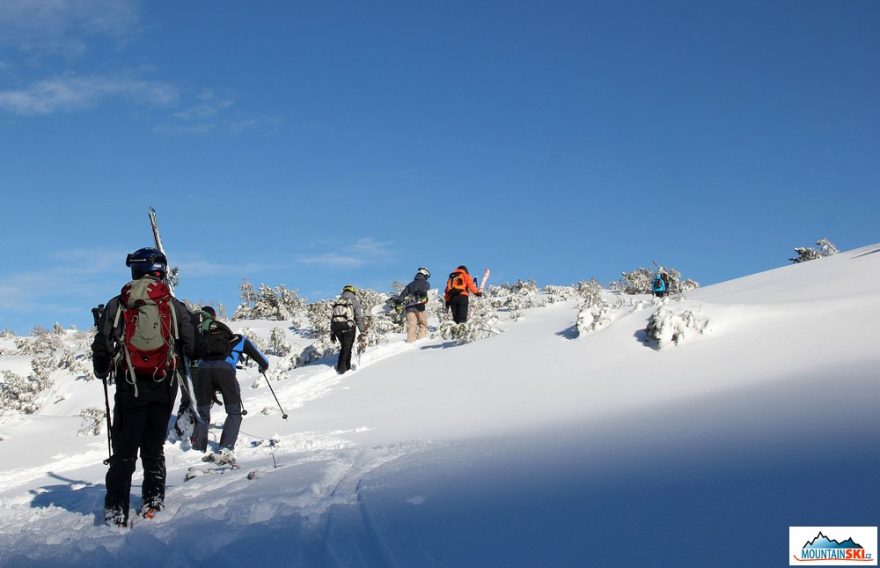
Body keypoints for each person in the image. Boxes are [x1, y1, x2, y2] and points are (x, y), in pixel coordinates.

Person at [91, 247, 195, 526]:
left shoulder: (118, 303)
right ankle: (153, 499)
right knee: (153, 446)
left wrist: (102, 368)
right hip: (164, 385)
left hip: (129, 385)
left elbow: (102, 349)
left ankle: (116, 509)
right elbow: (192, 345)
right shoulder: (173, 305)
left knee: (124, 450)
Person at [191, 312, 269, 459]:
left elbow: (193, 355)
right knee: (234, 412)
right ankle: (226, 448)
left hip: (203, 370)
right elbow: (263, 360)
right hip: (225, 372)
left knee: (203, 412)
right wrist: (262, 368)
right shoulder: (239, 339)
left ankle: (197, 447)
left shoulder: (205, 338)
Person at [330, 284, 366, 374]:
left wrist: (333, 332)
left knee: (345, 347)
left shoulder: (339, 301)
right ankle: (342, 369)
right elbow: (358, 317)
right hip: (348, 328)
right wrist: (362, 331)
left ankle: (345, 368)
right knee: (347, 348)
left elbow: (334, 318)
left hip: (336, 328)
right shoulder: (354, 301)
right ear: (353, 291)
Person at [398, 267, 431, 342]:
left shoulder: (410, 284)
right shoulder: (425, 283)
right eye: (427, 276)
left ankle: (410, 342)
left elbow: (402, 294)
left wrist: (399, 302)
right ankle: (420, 341)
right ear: (425, 274)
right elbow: (424, 292)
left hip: (409, 308)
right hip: (420, 307)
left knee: (411, 326)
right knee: (423, 324)